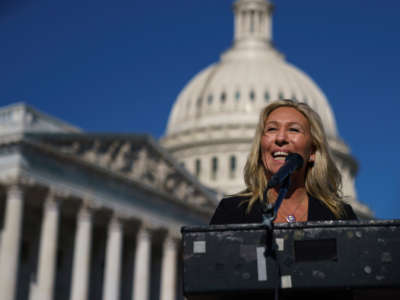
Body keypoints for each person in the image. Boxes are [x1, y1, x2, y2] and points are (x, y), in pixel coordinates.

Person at [210, 99, 357, 225]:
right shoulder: (232, 212)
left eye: (293, 130)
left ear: (312, 152)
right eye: (272, 129)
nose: (280, 138)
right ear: (261, 149)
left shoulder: (339, 217)